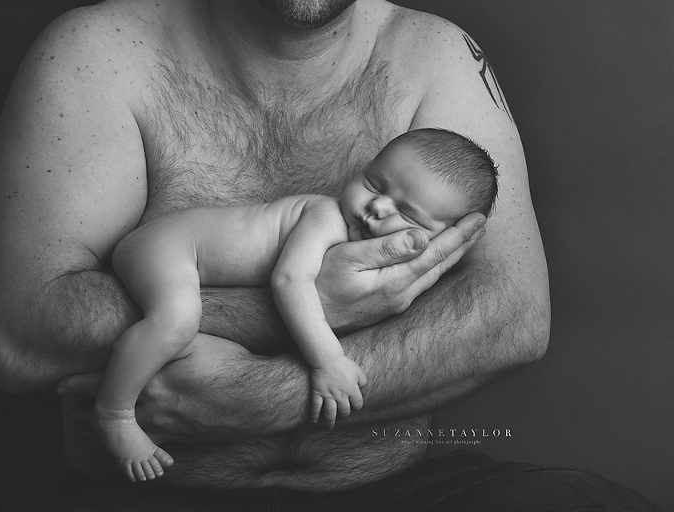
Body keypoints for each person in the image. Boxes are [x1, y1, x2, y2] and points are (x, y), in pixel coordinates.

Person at [0, 0, 659, 509]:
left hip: (400, 486)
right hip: (155, 491)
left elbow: (512, 314)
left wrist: (267, 398)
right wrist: (314, 308)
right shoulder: (98, 52)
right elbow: (23, 334)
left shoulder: (437, 56)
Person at [96, 128, 498, 482]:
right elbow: (290, 281)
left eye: (407, 215)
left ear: (443, 237)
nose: (378, 208)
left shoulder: (361, 245)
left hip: (179, 256)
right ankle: (114, 414)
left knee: (188, 343)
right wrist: (328, 361)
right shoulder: (326, 218)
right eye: (374, 184)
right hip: (170, 247)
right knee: (178, 320)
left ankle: (118, 372)